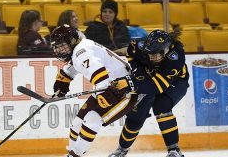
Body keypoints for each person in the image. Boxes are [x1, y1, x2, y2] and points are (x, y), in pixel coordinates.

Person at [50, 25, 144, 157]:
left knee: (92, 118)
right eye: (57, 47)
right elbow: (73, 67)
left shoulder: (82, 51)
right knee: (78, 121)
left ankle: (77, 154)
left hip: (123, 92)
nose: (60, 50)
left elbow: (100, 76)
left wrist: (104, 95)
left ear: (72, 40)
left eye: (62, 45)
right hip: (108, 87)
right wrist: (62, 84)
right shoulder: (80, 47)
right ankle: (71, 153)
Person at [108, 29, 189, 157]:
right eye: (150, 53)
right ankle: (121, 151)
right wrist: (139, 73)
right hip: (149, 77)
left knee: (161, 106)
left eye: (157, 53)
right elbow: (130, 53)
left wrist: (129, 84)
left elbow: (157, 87)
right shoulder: (139, 46)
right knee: (136, 116)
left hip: (176, 82)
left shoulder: (176, 56)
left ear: (166, 50)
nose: (153, 57)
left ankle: (174, 150)